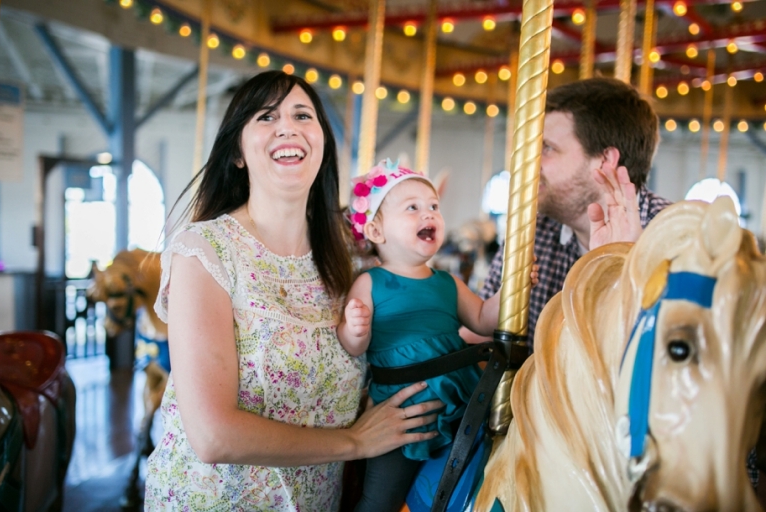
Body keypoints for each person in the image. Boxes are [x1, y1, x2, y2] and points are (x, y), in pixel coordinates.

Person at [144, 71, 444, 511]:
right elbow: (213, 436)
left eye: (303, 115)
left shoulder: (346, 259)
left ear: (320, 144)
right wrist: (355, 442)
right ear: (238, 154)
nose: (287, 126)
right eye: (266, 117)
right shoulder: (204, 252)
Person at [338, 160, 516, 512]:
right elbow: (352, 346)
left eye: (434, 206)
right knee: (379, 500)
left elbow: (482, 320)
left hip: (461, 400)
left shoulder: (447, 283)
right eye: (413, 208)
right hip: (401, 413)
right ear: (376, 230)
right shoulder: (370, 282)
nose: (428, 214)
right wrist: (355, 329)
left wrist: (510, 291)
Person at [468, 77, 672, 345]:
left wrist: (630, 268)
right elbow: (482, 335)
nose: (531, 164)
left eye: (547, 148)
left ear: (604, 160)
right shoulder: (534, 229)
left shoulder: (677, 240)